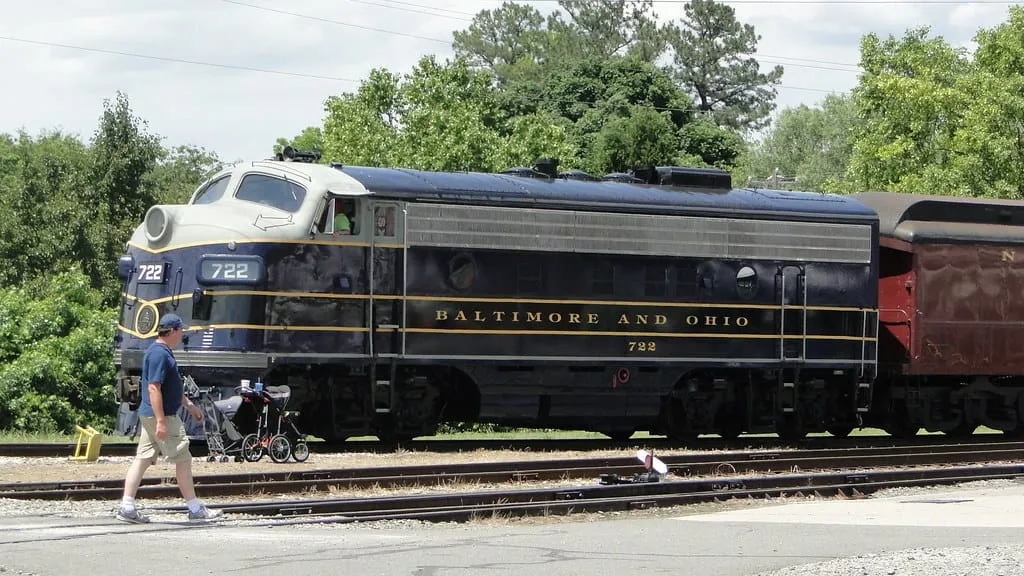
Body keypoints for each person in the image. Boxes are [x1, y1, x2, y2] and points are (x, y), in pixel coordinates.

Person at [116, 313, 224, 523]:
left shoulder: (161, 352)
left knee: (143, 458)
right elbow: (154, 388)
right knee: (183, 459)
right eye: (181, 331)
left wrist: (189, 405)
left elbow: (169, 387)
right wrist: (161, 421)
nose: (182, 335)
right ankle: (194, 509)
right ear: (172, 331)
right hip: (162, 415)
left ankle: (127, 506)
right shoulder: (160, 354)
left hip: (152, 414)